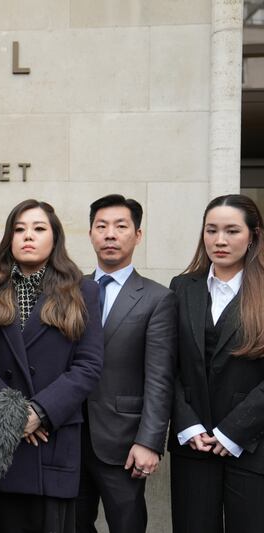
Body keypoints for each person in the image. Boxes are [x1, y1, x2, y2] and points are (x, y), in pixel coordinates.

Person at [0, 199, 103, 533]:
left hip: (51, 438)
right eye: (19, 229)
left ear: (55, 238)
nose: (28, 236)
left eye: (39, 229)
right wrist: (14, 415)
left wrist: (40, 412)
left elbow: (89, 365)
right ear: (9, 237)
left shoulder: (83, 291)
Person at [76, 194, 176, 533]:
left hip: (124, 440)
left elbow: (160, 377)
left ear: (138, 235)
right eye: (101, 226)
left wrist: (150, 442)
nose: (110, 234)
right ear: (90, 233)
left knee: (128, 524)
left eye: (121, 226)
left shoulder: (157, 298)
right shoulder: (70, 291)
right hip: (70, 433)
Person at [169, 194, 264, 533]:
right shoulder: (181, 287)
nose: (219, 240)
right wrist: (188, 425)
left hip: (253, 444)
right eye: (211, 230)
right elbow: (167, 366)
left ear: (253, 235)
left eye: (232, 231)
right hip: (193, 444)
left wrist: (233, 431)